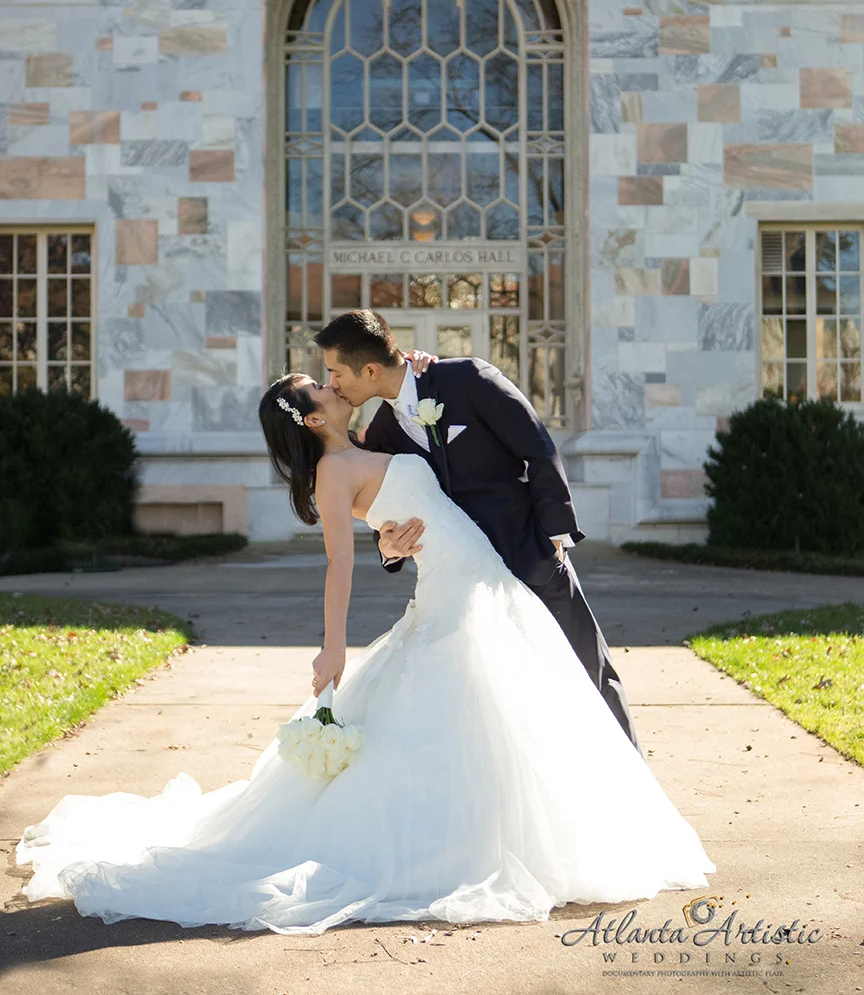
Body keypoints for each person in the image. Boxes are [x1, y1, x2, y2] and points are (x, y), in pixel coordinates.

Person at [14, 371, 716, 936]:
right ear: (313, 418)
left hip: (479, 576)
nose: (330, 383)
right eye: (317, 386)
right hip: (451, 588)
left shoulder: (380, 435)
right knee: (470, 706)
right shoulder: (331, 473)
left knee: (511, 704)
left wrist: (392, 538)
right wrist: (331, 651)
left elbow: (418, 503)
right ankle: (464, 850)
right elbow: (339, 567)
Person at [314, 310, 641, 751]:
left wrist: (556, 540)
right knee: (509, 700)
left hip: (530, 555)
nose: (332, 384)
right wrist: (389, 547)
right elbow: (389, 504)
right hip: (466, 586)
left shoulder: (466, 378)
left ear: (369, 370)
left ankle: (631, 779)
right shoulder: (382, 434)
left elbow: (538, 449)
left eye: (335, 373)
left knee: (588, 673)